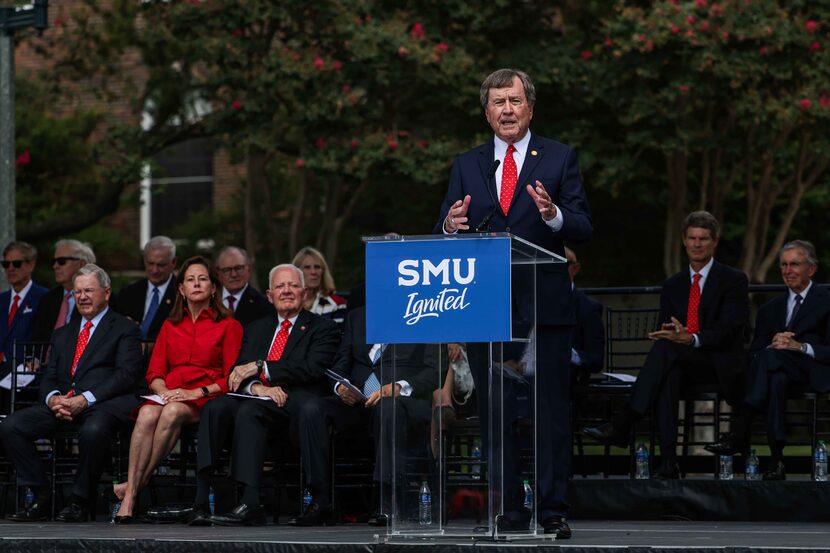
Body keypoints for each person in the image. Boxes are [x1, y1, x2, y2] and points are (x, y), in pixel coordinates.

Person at [434, 68, 592, 538]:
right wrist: (450, 225)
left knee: (549, 416)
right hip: (487, 307)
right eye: (498, 102)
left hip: (544, 306)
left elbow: (583, 226)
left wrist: (554, 214)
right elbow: (445, 219)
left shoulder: (559, 159)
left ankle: (552, 510)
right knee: (496, 416)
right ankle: (507, 512)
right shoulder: (467, 164)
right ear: (487, 113)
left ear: (530, 107)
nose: (507, 109)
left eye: (515, 101)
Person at [153, 264, 339, 526]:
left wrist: (264, 367)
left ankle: (284, 501)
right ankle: (204, 499)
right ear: (269, 295)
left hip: (298, 398)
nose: (286, 291)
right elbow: (236, 372)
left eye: (293, 286)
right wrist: (258, 387)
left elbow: (312, 368)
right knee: (216, 407)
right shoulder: (256, 328)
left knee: (255, 411)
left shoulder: (323, 327)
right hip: (260, 397)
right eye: (280, 287)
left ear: (305, 292)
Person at [583, 211, 749, 479]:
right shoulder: (673, 285)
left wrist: (691, 338)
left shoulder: (734, 280)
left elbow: (730, 332)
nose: (697, 244)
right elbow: (668, 326)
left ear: (714, 242)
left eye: (703, 239)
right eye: (692, 238)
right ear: (684, 241)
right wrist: (670, 333)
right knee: (668, 370)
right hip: (682, 363)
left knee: (667, 353)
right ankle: (669, 462)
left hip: (718, 363)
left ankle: (625, 423)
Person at [0, 264, 144, 522]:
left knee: (94, 431)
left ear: (107, 293)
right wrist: (53, 398)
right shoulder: (63, 333)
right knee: (12, 426)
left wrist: (84, 399)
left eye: (89, 290)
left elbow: (126, 375)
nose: (83, 297)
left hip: (103, 404)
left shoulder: (125, 329)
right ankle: (44, 495)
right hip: (64, 404)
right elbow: (49, 376)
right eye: (78, 292)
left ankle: (79, 500)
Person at [111, 256, 243, 522]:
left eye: (203, 279)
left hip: (206, 396)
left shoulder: (229, 325)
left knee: (171, 412)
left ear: (213, 288)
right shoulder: (170, 326)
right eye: (190, 280)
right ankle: (134, 489)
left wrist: (195, 393)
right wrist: (164, 391)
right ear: (181, 289)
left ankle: (131, 491)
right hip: (170, 393)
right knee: (148, 414)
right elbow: (155, 373)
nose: (196, 284)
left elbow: (231, 377)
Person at [290, 306, 444, 526]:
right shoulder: (358, 316)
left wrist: (399, 387)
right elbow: (341, 363)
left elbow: (437, 369)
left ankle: (386, 500)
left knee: (388, 407)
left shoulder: (427, 313)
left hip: (402, 401)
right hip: (359, 400)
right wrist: (340, 387)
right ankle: (320, 499)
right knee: (312, 408)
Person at [705, 240, 830, 480]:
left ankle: (740, 432)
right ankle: (776, 461)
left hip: (813, 371)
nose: (787, 270)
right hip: (777, 371)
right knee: (775, 377)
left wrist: (800, 346)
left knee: (771, 362)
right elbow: (754, 353)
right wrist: (772, 343)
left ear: (811, 269)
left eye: (794, 264)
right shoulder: (769, 309)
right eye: (783, 265)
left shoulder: (826, 301)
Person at [111, 236, 178, 341]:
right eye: (150, 263)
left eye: (161, 265)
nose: (154, 270)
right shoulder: (128, 294)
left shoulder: (182, 294)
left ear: (173, 263)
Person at [29, 239, 95, 343]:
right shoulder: (48, 299)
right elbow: (37, 339)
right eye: (54, 261)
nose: (55, 266)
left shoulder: (98, 299)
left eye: (61, 261)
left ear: (81, 264)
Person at [0, 241, 48, 367]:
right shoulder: (2, 299)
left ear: (31, 265)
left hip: (24, 374)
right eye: (6, 264)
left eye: (16, 264)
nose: (10, 268)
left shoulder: (44, 298)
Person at [565, 247, 605, 384]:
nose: (554, 271)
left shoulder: (588, 308)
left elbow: (595, 360)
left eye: (561, 264)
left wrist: (567, 354)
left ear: (575, 268)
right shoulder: (532, 303)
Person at [215, 246, 272, 326]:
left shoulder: (264, 305)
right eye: (227, 270)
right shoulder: (209, 302)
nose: (234, 274)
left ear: (249, 269)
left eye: (239, 268)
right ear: (218, 273)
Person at [292, 246, 346, 317]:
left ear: (323, 272)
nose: (313, 272)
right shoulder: (285, 302)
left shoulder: (336, 304)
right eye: (307, 267)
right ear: (296, 272)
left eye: (317, 267)